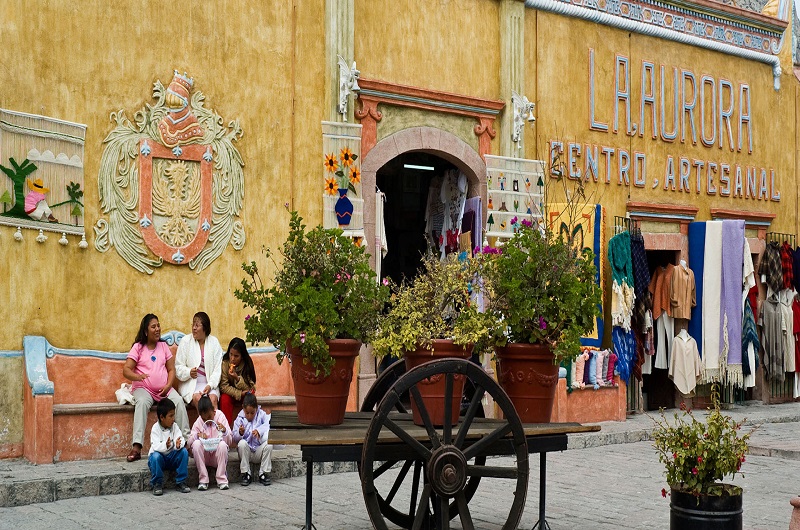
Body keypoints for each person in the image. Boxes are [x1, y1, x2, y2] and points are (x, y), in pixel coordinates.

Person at [123, 313, 190, 463]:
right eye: (153, 326)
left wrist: (168, 385)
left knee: (178, 402)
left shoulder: (163, 346)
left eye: (158, 325)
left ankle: (186, 442)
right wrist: (137, 377)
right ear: (146, 331)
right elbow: (126, 370)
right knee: (141, 403)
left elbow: (171, 370)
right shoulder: (138, 347)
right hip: (143, 389)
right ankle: (137, 447)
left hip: (164, 390)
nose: (157, 329)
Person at [175, 312, 224, 411]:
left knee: (213, 400)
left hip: (209, 384)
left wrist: (210, 385)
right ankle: (204, 426)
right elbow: (178, 367)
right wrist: (188, 372)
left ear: (205, 328)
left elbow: (218, 369)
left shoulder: (214, 343)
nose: (194, 328)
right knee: (199, 399)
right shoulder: (185, 342)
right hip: (191, 385)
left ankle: (215, 426)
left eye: (197, 325)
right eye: (193, 324)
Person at [188, 394, 232, 490]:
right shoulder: (199, 421)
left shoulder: (220, 416)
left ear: (213, 410)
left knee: (223, 445)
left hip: (217, 456)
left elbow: (229, 441)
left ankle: (222, 479)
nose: (207, 420)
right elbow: (189, 442)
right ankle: (203, 479)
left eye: (209, 416)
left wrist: (224, 431)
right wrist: (197, 436)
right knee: (196, 444)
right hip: (205, 456)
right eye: (204, 418)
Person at [148, 398, 190, 495]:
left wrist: (178, 445)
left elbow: (180, 438)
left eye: (173, 415)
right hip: (160, 459)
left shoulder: (175, 426)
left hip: (171, 458)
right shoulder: (155, 428)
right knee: (155, 457)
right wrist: (165, 445)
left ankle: (181, 481)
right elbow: (156, 446)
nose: (173, 418)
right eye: (170, 416)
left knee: (184, 452)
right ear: (162, 417)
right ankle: (157, 483)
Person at [233, 393, 273, 486]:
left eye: (252, 413)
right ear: (243, 409)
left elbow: (268, 424)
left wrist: (259, 431)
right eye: (247, 413)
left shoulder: (262, 415)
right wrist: (240, 433)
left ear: (256, 409)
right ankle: (246, 473)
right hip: (246, 453)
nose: (250, 416)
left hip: (258, 451)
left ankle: (263, 473)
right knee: (242, 443)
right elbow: (234, 438)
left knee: (269, 444)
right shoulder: (239, 419)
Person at [219, 337, 257, 425]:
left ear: (242, 356)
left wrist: (237, 378)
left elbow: (251, 387)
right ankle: (226, 429)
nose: (232, 358)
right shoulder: (225, 363)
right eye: (230, 354)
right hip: (230, 393)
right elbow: (223, 386)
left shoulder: (247, 365)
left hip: (245, 393)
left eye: (236, 356)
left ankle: (249, 426)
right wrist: (239, 393)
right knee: (224, 399)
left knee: (250, 397)